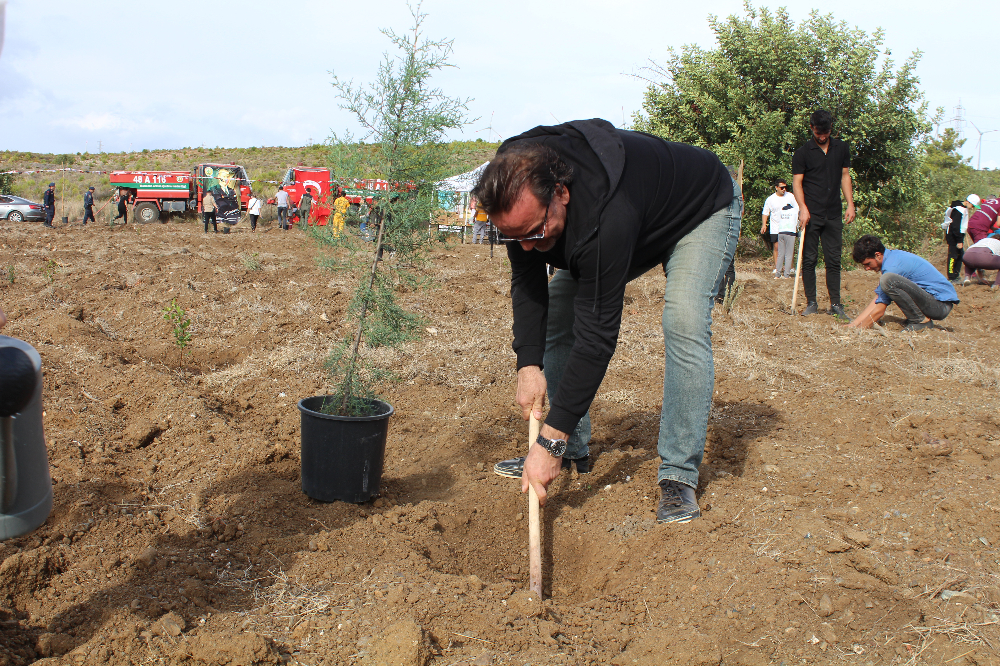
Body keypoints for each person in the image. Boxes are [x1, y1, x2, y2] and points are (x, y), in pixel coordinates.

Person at [472, 118, 740, 524]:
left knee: (683, 320)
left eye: (536, 232)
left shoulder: (605, 216)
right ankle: (573, 450)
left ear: (561, 192)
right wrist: (528, 364)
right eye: (515, 237)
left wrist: (549, 439)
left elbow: (597, 338)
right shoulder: (513, 182)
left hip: (700, 208)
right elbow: (527, 280)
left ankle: (679, 475)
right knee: (559, 310)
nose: (528, 247)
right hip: (637, 212)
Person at [792, 109, 856, 318]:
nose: (822, 136)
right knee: (809, 260)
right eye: (818, 132)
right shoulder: (802, 153)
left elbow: (845, 176)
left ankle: (836, 305)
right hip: (811, 214)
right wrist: (802, 208)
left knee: (834, 260)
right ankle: (811, 302)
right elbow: (797, 183)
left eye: (825, 132)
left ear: (831, 129)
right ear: (812, 128)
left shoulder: (841, 148)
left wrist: (850, 204)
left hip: (833, 213)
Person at [847, 235, 958, 332]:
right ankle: (919, 319)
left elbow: (880, 309)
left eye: (868, 263)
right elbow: (878, 299)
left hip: (940, 306)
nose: (867, 268)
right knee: (888, 280)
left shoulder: (892, 267)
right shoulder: (892, 258)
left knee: (888, 280)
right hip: (936, 303)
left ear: (878, 255)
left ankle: (920, 321)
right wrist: (854, 324)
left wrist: (861, 329)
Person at [761, 178, 799, 278]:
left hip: (788, 226)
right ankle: (778, 268)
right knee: (777, 247)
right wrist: (764, 225)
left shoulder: (790, 196)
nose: (784, 189)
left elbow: (797, 208)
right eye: (782, 187)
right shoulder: (770, 199)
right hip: (775, 227)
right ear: (776, 187)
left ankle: (790, 268)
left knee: (789, 248)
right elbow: (765, 212)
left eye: (785, 187)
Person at [942, 199, 971, 281]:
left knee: (960, 255)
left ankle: (956, 275)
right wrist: (959, 241)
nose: (972, 208)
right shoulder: (958, 210)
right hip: (953, 237)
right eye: (972, 206)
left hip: (958, 236)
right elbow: (955, 227)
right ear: (968, 202)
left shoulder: (963, 208)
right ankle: (951, 277)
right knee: (953, 256)